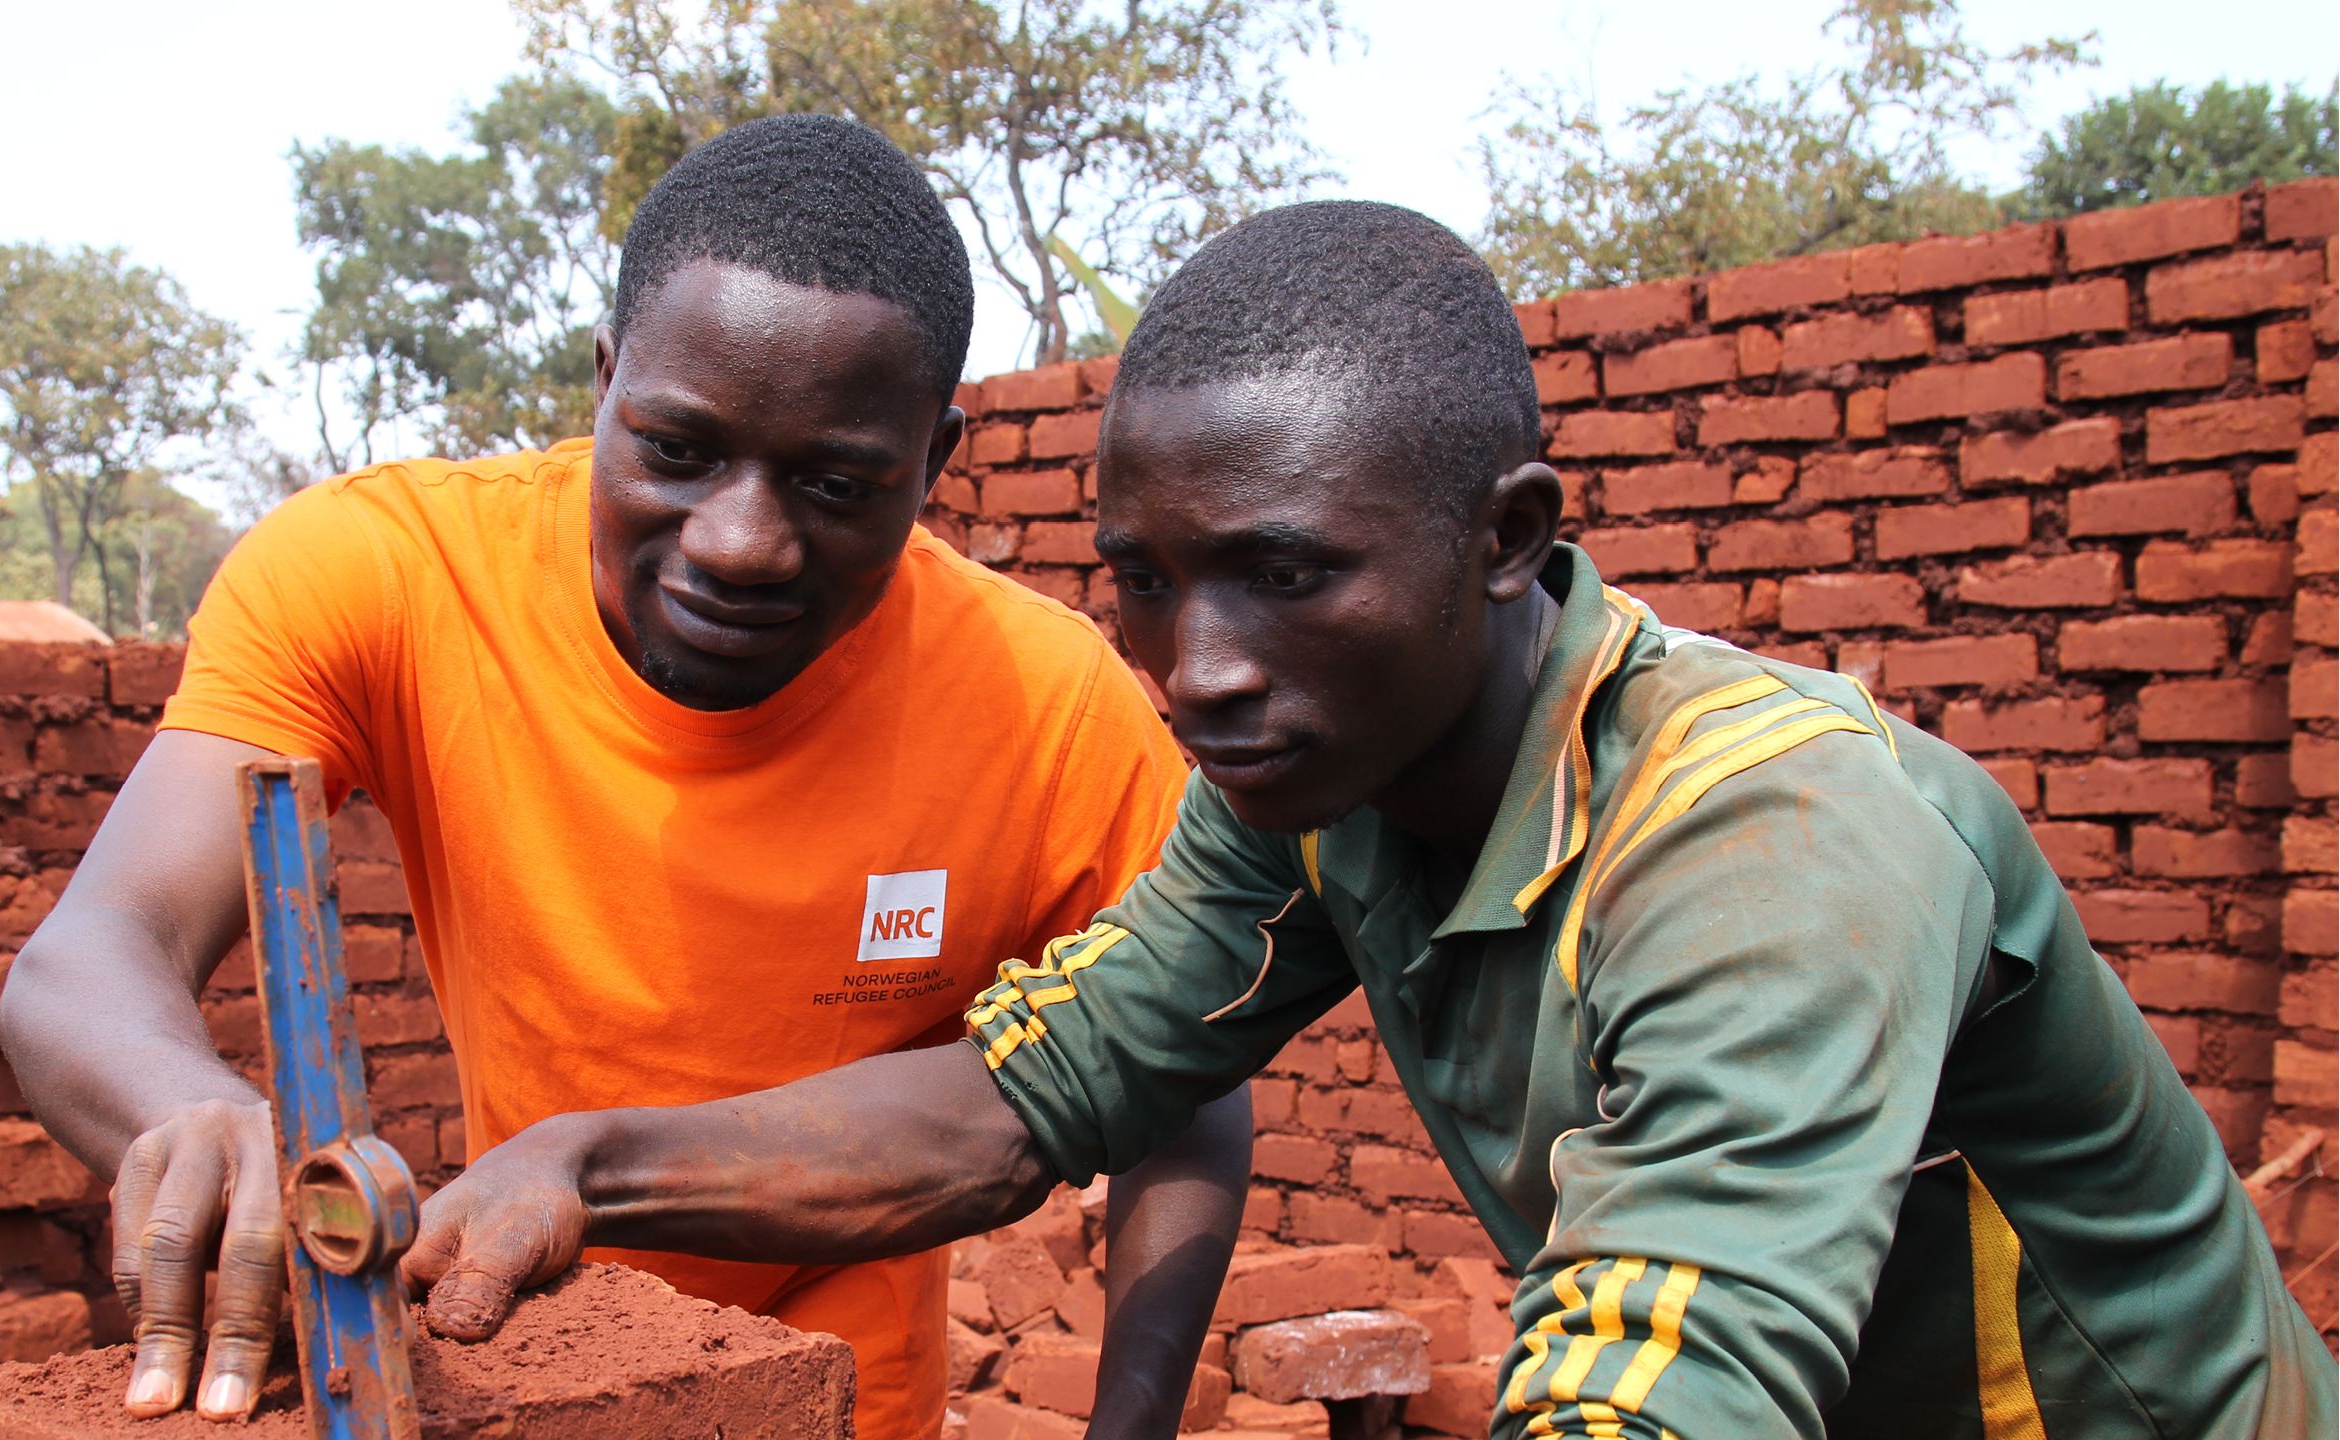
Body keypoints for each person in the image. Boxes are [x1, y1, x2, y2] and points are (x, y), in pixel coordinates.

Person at [407, 200, 2339, 1438]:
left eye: (1285, 573)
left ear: (1506, 538)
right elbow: (1023, 1101)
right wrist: (581, 1167)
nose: (1198, 669)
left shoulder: (1771, 848)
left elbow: (1666, 1389)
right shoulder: (1321, 786)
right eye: (1144, 581)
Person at [0, 114, 1252, 1440]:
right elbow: (93, 950)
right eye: (678, 450)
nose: (742, 544)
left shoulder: (1045, 708)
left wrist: (1133, 1426)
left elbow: (1187, 1082)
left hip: (845, 1408)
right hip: (518, 1371)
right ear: (605, 381)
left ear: (932, 462)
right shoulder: (390, 580)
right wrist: (189, 1110)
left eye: (835, 484)